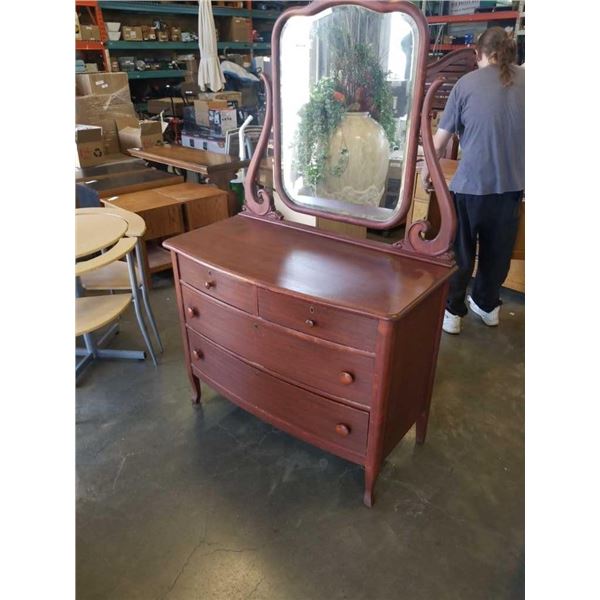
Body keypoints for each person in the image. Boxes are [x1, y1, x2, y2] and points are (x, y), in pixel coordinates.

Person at [421, 27, 525, 335]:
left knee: (461, 252)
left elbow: (440, 141)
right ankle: (488, 305)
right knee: (498, 252)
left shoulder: (466, 84)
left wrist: (428, 170)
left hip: (470, 188)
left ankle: (453, 312)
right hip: (511, 189)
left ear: (479, 54)